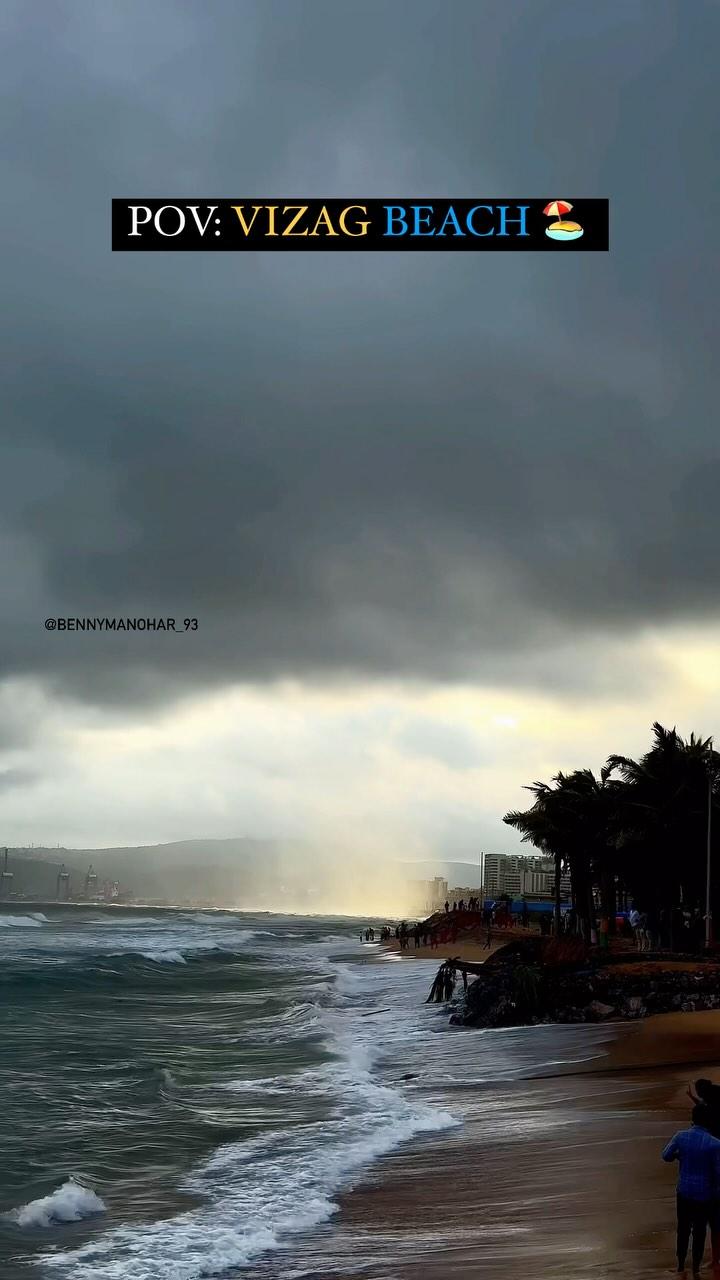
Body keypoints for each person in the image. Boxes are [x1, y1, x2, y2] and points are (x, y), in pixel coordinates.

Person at [662, 1104, 720, 1275]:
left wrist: (678, 1156)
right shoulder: (715, 1144)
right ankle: (695, 1267)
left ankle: (680, 1265)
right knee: (700, 1230)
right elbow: (718, 1172)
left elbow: (665, 1155)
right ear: (708, 1121)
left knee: (683, 1229)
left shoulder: (680, 1137)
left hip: (684, 1190)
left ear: (692, 1118)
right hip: (704, 1193)